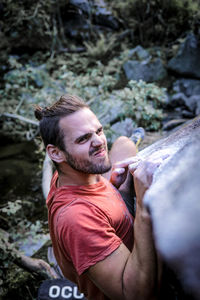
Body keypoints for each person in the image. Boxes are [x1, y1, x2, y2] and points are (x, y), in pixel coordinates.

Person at [35, 94, 163, 300]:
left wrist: (113, 187)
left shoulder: (68, 173)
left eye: (99, 131)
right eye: (83, 138)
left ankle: (129, 143)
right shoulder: (77, 219)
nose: (99, 142)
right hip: (138, 278)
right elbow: (135, 295)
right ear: (56, 153)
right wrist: (143, 204)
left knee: (123, 144)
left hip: (115, 218)